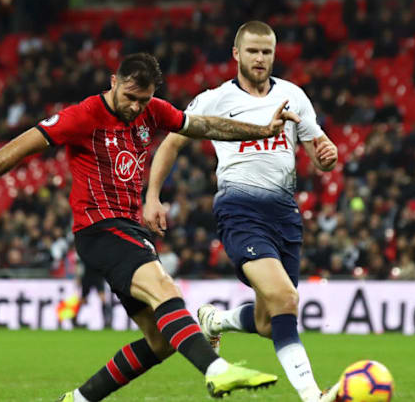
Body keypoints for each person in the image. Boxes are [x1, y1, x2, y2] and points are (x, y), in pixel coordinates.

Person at [0, 53, 301, 401]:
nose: (136, 107)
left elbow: (203, 125)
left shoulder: (152, 112)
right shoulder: (84, 115)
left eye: (144, 99)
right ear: (114, 82)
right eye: (130, 97)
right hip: (99, 228)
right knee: (163, 288)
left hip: (128, 228)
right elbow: (19, 147)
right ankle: (217, 369)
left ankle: (78, 398)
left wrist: (260, 130)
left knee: (159, 341)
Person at [144, 22, 339, 402]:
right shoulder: (215, 100)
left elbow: (318, 148)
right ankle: (313, 396)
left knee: (270, 322)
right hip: (239, 210)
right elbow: (171, 144)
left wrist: (326, 157)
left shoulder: (293, 96)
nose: (260, 58)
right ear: (236, 54)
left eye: (267, 52)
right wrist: (152, 196)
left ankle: (217, 321)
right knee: (286, 300)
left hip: (285, 215)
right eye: (253, 51)